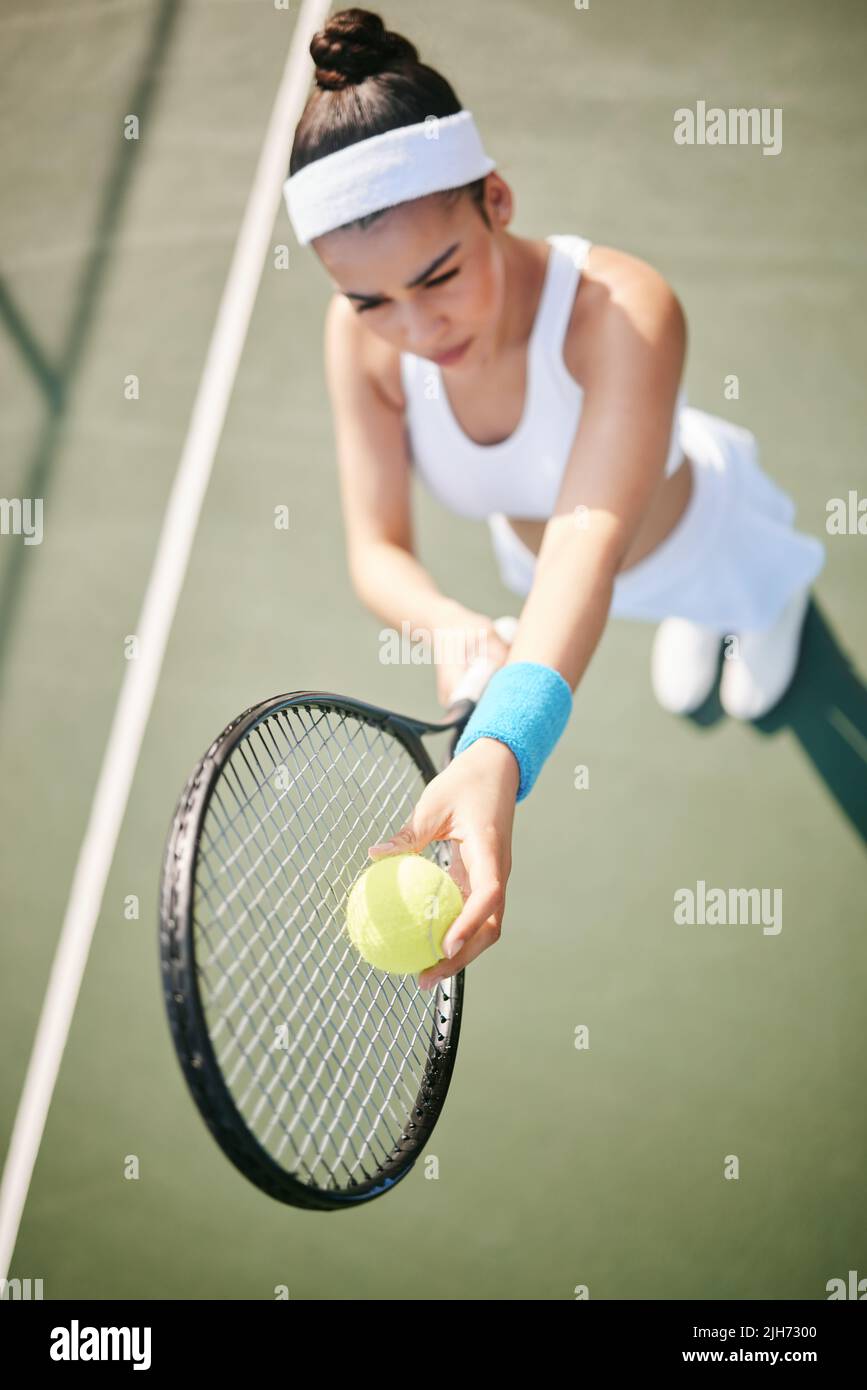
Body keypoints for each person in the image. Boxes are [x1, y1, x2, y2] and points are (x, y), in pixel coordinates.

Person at [282, 7, 826, 992]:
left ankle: (762, 609)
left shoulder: (624, 310)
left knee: (732, 596)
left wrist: (502, 746)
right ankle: (713, 626)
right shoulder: (358, 338)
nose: (411, 327)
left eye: (436, 275)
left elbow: (590, 538)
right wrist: (446, 622)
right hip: (541, 582)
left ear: (496, 198)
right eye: (369, 301)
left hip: (690, 536)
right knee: (645, 617)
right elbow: (376, 547)